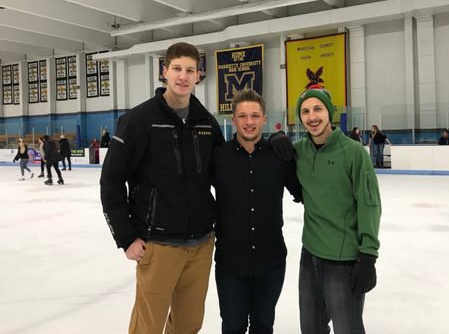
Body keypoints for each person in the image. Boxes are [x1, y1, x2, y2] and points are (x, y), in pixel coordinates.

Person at [100, 42, 225, 334]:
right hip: (159, 245)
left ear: (198, 76)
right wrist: (126, 237)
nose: (183, 76)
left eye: (190, 70)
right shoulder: (138, 120)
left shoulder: (206, 123)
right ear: (165, 71)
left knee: (188, 324)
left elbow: (224, 175)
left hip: (201, 244)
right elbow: (111, 181)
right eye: (177, 69)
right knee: (148, 327)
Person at [211, 89, 302, 334]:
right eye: (242, 116)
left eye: (255, 116)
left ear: (264, 119)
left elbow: (304, 192)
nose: (249, 122)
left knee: (263, 326)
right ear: (233, 120)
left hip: (271, 262)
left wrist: (290, 149)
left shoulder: (279, 156)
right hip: (231, 264)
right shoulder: (219, 157)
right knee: (233, 327)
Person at [294, 87, 382, 334]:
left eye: (318, 109)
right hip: (309, 256)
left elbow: (369, 205)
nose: (312, 116)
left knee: (348, 329)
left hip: (343, 262)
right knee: (311, 328)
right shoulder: (299, 151)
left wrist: (368, 255)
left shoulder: (353, 152)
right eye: (305, 111)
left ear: (330, 112)